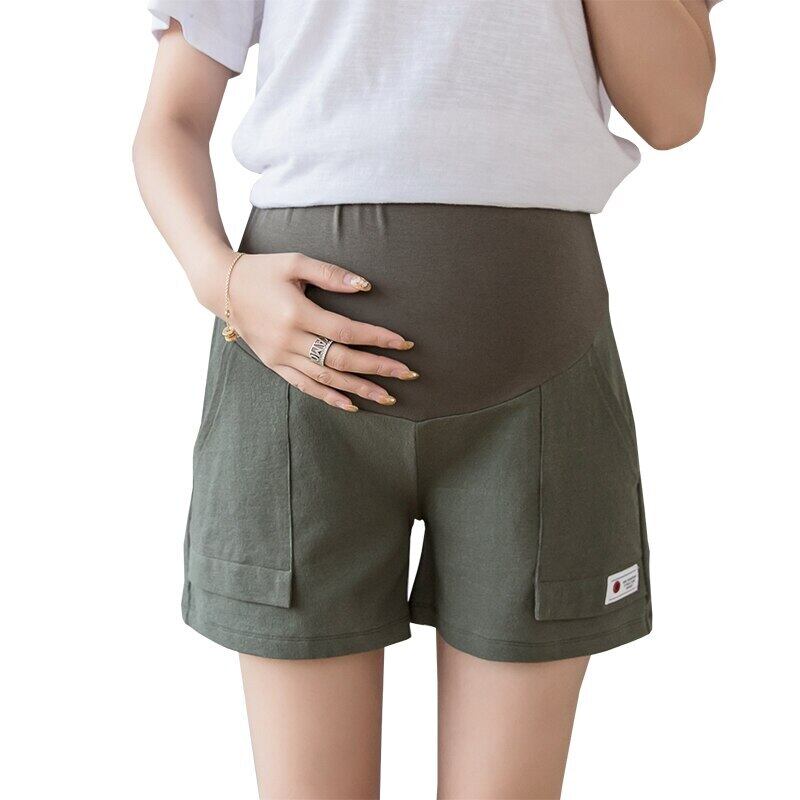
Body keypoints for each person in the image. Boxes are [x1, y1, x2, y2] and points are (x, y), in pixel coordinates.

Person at [133, 1, 721, 797]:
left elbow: (675, 111)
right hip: (299, 388)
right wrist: (222, 281)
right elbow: (169, 122)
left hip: (539, 386)